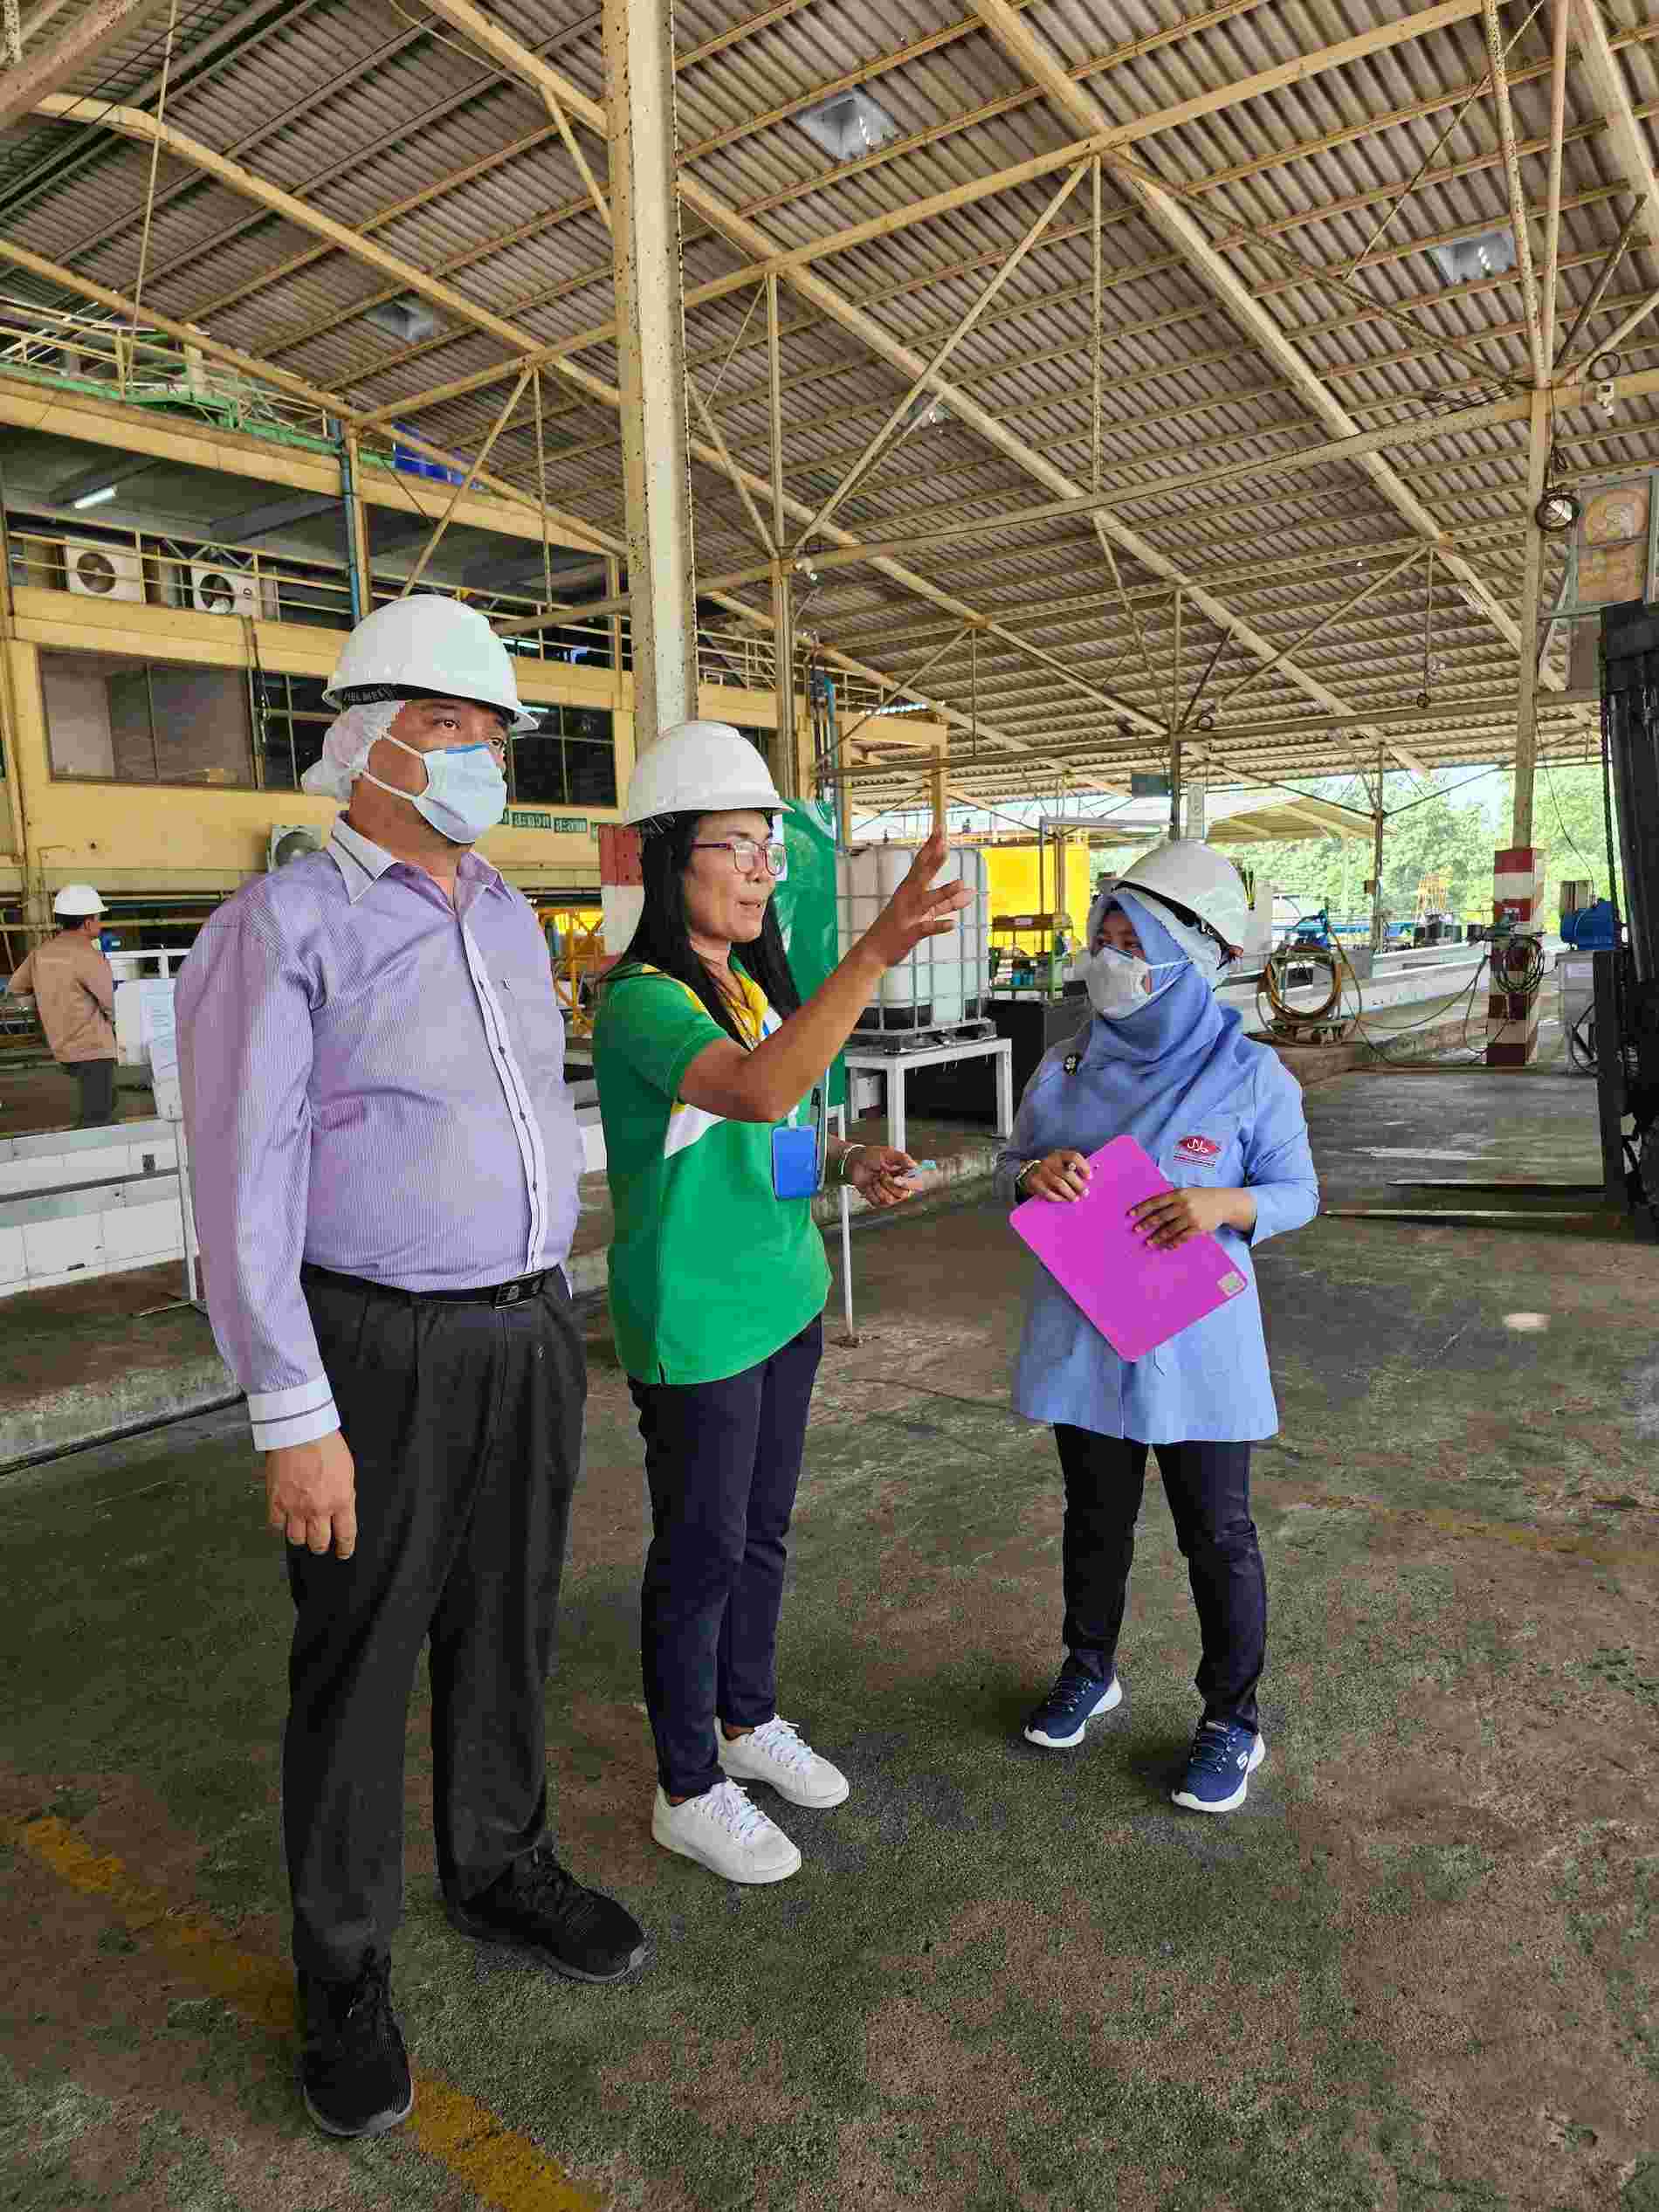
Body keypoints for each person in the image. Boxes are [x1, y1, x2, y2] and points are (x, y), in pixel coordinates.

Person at [176, 596, 645, 2144]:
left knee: (508, 1619)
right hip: (376, 1340)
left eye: (496, 738)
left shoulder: (508, 912)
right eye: (455, 732)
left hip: (525, 1325)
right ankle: (346, 1971)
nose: (485, 761)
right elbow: (242, 1181)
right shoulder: (286, 927)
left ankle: (501, 1863)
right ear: (367, 742)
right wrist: (292, 1411)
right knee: (361, 1658)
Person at [592, 722, 971, 1885]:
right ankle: (685, 1785)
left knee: (759, 1532)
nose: (764, 866)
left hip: (782, 1299)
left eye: (769, 846)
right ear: (669, 861)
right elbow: (755, 1089)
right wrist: (877, 950)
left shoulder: (747, 982)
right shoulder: (645, 1002)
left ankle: (744, 1723)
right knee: (699, 1551)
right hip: (699, 1323)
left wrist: (846, 1161)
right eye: (739, 845)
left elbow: (774, 1130)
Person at [996, 841, 1318, 1814]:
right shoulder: (1064, 1061)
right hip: (1086, 1327)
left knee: (1215, 1530)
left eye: (1135, 942)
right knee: (1092, 1517)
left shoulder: (1250, 1074)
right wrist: (1031, 1175)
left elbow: (1298, 1192)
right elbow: (1012, 1161)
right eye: (1104, 937)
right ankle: (1089, 1667)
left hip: (1193, 1342)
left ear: (1190, 956)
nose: (1111, 958)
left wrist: (1222, 1205)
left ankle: (1232, 1719)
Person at [4, 885, 118, 1127]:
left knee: (103, 1106)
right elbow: (112, 1004)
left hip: (61, 1047)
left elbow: (15, 988)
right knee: (97, 1118)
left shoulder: (41, 953)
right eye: (99, 918)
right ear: (87, 923)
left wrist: (47, 1007)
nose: (101, 923)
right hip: (94, 1049)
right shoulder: (89, 956)